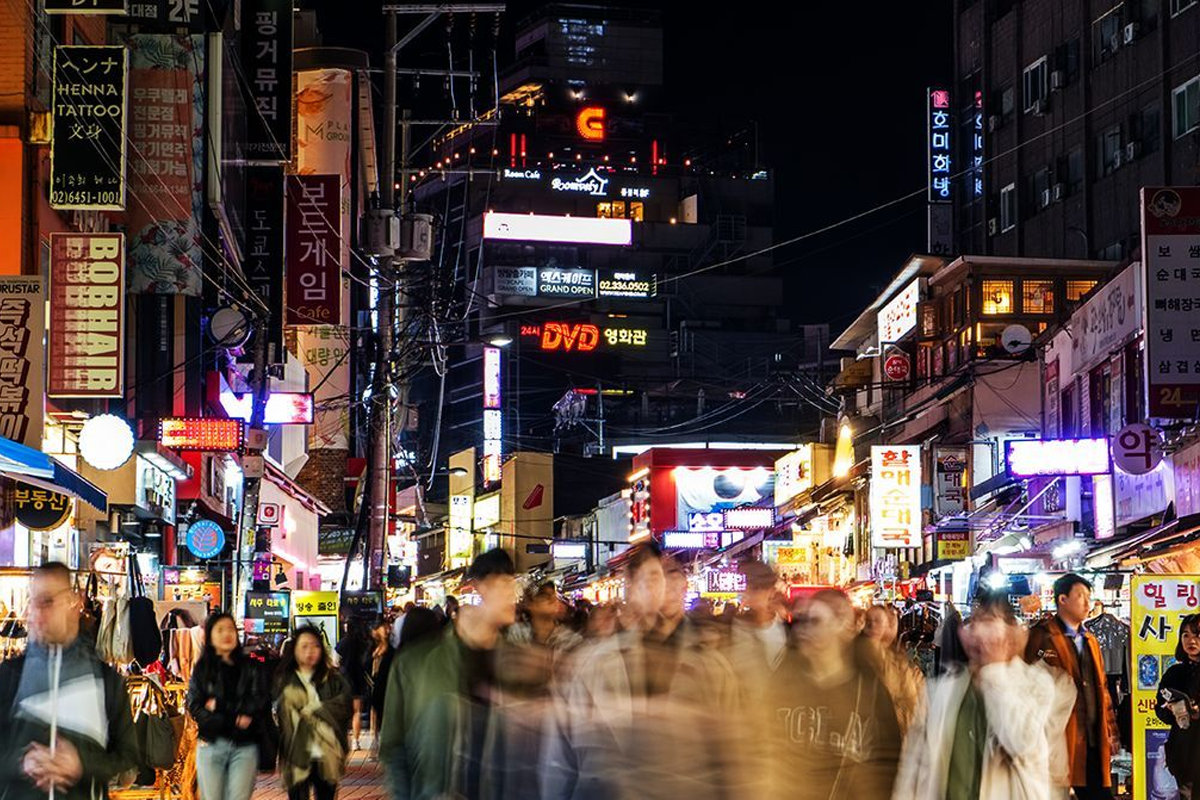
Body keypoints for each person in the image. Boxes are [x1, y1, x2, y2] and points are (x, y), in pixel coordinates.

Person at [541, 543, 739, 800]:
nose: (656, 589)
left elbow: (731, 760)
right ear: (630, 587)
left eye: (659, 579)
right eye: (647, 579)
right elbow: (559, 763)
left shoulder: (711, 668)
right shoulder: (590, 665)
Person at [893, 594, 1075, 800]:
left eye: (989, 622)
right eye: (975, 622)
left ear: (1011, 634)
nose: (980, 633)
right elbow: (915, 766)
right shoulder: (941, 691)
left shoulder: (1036, 685)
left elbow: (1022, 744)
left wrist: (995, 669)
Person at [380, 548, 519, 799]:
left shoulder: (518, 661)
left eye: (514, 585)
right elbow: (393, 746)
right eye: (505, 584)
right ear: (481, 587)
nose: (513, 595)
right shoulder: (415, 662)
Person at [0, 562, 138, 800]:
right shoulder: (9, 676)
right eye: (32, 602)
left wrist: (81, 764)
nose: (35, 613)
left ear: (73, 603)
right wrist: (22, 762)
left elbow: (128, 758)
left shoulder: (106, 681)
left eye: (47, 601)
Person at [760, 589, 903, 800]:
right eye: (803, 621)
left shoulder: (870, 692)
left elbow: (888, 765)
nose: (804, 630)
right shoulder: (783, 682)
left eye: (815, 621)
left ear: (842, 624)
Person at [1026, 573, 1121, 800]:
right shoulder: (1041, 636)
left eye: (1089, 597)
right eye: (1080, 596)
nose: (1088, 603)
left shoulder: (1090, 640)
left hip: (1093, 740)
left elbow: (1103, 690)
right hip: (1059, 742)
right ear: (1062, 599)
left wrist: (1111, 731)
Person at [187, 612, 268, 800]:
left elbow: (258, 702)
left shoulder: (251, 666)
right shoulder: (202, 669)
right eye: (220, 630)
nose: (227, 634)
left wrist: (219, 705)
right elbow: (195, 707)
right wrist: (234, 718)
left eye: (230, 629)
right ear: (210, 637)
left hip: (245, 746)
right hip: (211, 745)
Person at [277, 625, 354, 800]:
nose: (310, 651)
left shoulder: (334, 679)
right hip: (296, 756)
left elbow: (344, 706)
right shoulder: (285, 680)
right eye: (304, 646)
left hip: (326, 754)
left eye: (315, 646)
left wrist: (315, 709)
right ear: (294, 650)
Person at [861, 604, 925, 735]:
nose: (872, 626)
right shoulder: (856, 659)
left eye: (877, 621)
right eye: (868, 621)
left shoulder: (904, 667)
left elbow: (916, 709)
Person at [1155, 613, 1200, 796]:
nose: (1191, 640)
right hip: (1183, 750)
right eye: (1186, 635)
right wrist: (1170, 710)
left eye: (1197, 634)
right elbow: (1160, 707)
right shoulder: (1174, 672)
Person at [335, 618, 370, 750]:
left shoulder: (342, 643)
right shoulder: (363, 644)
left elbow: (335, 662)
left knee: (343, 713)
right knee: (357, 712)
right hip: (358, 680)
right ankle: (355, 741)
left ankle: (343, 741)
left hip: (344, 681)